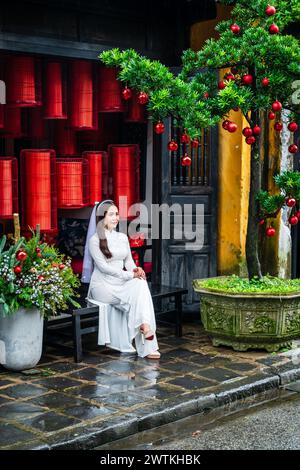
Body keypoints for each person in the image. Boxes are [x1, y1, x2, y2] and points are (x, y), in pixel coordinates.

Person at [81, 199, 160, 360]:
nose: (116, 218)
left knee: (141, 283)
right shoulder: (94, 240)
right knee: (137, 286)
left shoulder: (122, 237)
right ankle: (146, 340)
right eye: (111, 214)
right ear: (101, 218)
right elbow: (104, 268)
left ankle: (145, 327)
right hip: (102, 286)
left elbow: (129, 261)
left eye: (117, 214)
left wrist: (135, 269)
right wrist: (129, 275)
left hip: (120, 282)